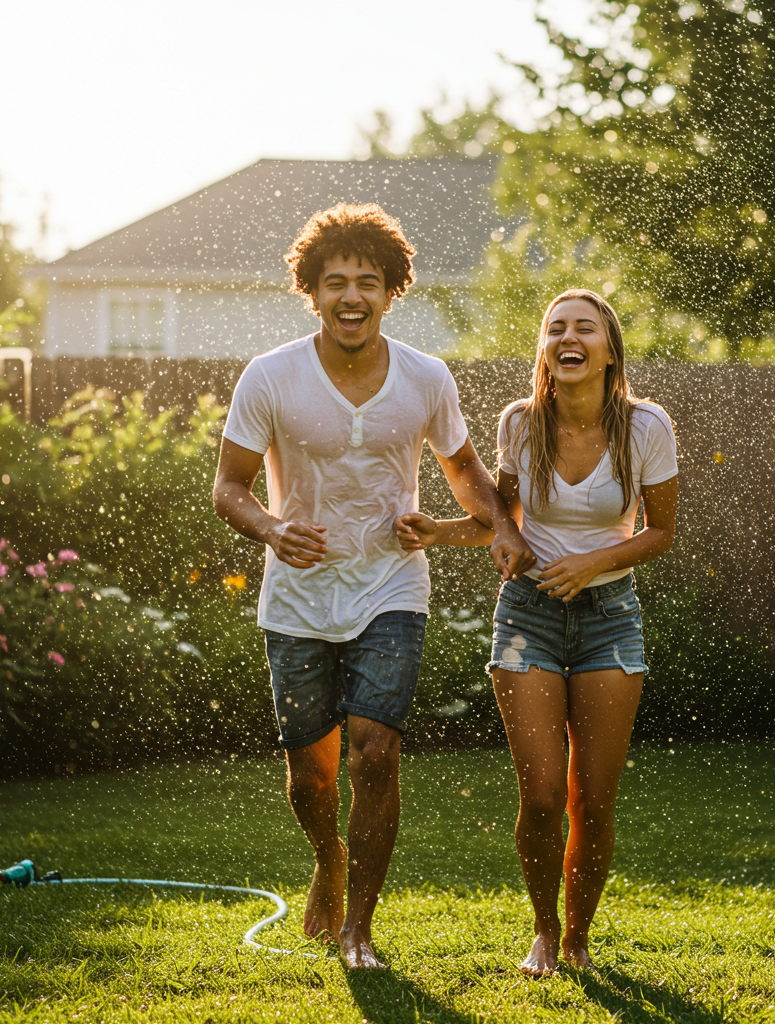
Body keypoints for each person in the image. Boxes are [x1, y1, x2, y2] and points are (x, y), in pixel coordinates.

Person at [213, 203, 535, 969]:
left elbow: (465, 478)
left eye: (367, 281)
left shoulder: (425, 377)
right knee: (310, 773)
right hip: (296, 598)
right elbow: (228, 486)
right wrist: (270, 528)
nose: (351, 296)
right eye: (335, 283)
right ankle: (329, 856)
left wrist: (499, 527)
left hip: (391, 587)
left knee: (374, 755)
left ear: (393, 291)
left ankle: (360, 930)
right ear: (312, 292)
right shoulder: (271, 376)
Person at [395, 289, 678, 975]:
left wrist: (591, 564)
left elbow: (661, 533)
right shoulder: (521, 423)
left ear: (609, 348)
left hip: (610, 618)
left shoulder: (646, 427)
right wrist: (441, 529)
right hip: (528, 617)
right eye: (556, 329)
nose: (568, 337)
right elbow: (505, 525)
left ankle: (580, 936)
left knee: (594, 799)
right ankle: (545, 931)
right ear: (545, 349)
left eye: (584, 327)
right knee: (544, 793)